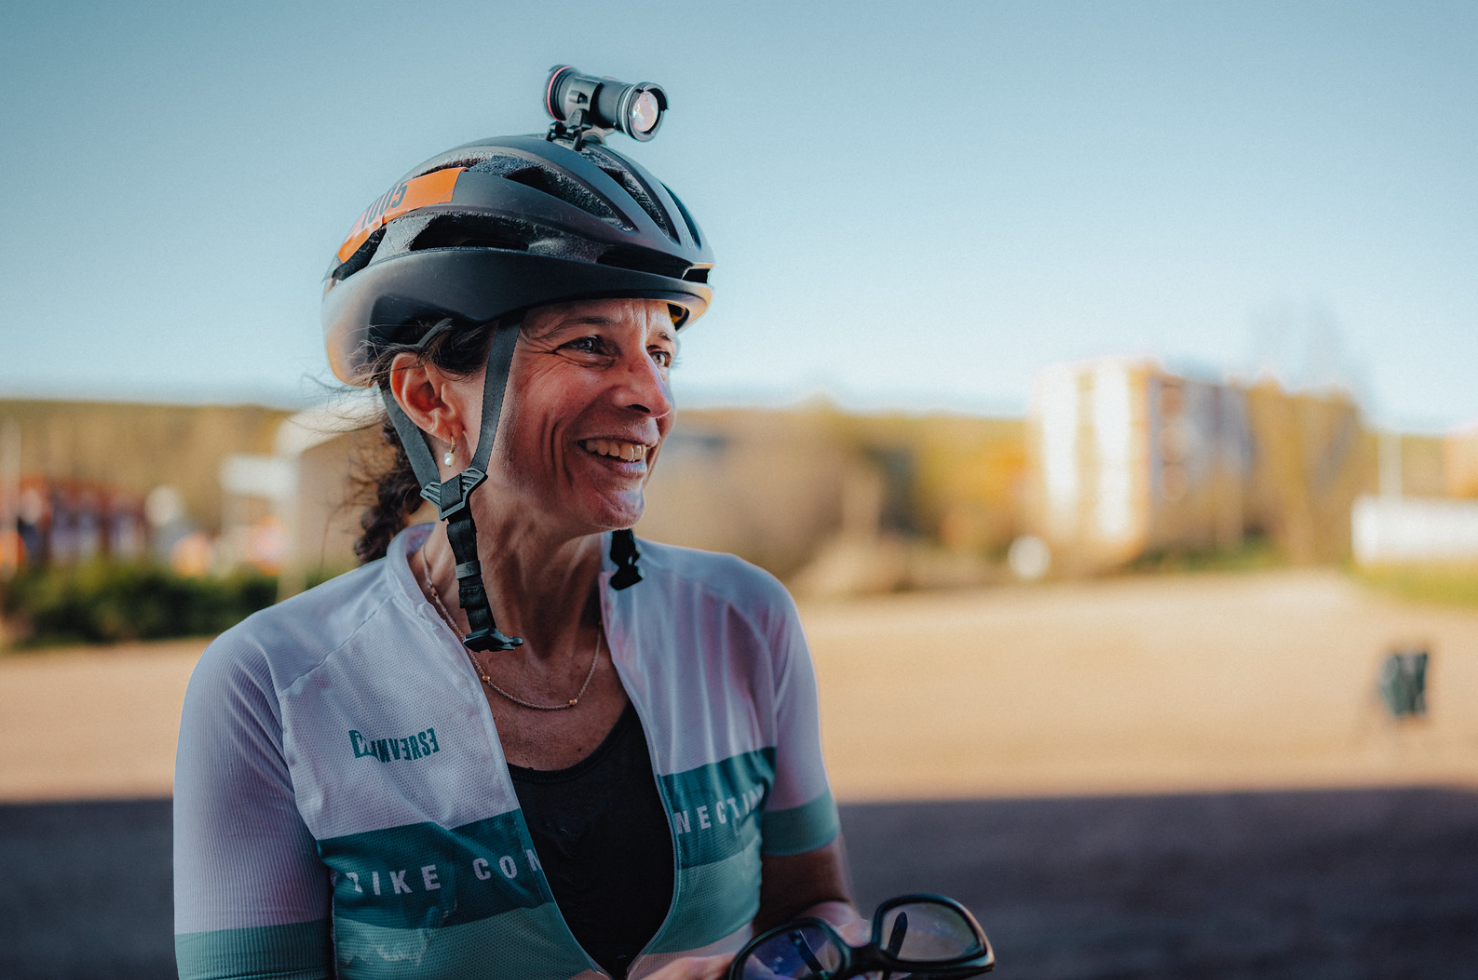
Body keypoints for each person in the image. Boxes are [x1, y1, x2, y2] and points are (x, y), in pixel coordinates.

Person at [172, 102, 861, 980]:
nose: (653, 398)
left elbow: (818, 909)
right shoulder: (269, 689)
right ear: (430, 398)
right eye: (591, 345)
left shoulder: (745, 621)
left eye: (662, 349)